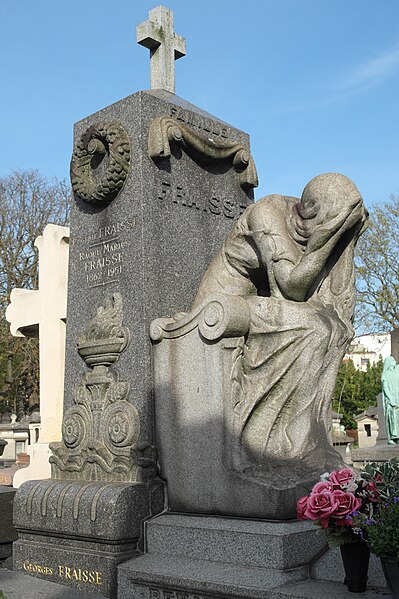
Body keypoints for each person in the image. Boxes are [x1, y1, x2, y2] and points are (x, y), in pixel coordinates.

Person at [193, 173, 368, 481]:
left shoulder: (311, 230)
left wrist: (347, 240)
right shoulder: (268, 213)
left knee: (334, 329)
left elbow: (335, 302)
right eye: (335, 221)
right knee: (314, 327)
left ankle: (311, 442)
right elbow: (291, 288)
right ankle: (271, 446)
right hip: (224, 307)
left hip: (257, 307)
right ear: (315, 212)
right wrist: (330, 235)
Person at [381, 356, 399, 445]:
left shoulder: (396, 373)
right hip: (391, 400)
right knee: (391, 419)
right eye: (393, 360)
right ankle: (391, 438)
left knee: (397, 418)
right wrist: (390, 399)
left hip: (397, 398)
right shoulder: (385, 374)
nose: (395, 361)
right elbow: (385, 388)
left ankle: (397, 437)